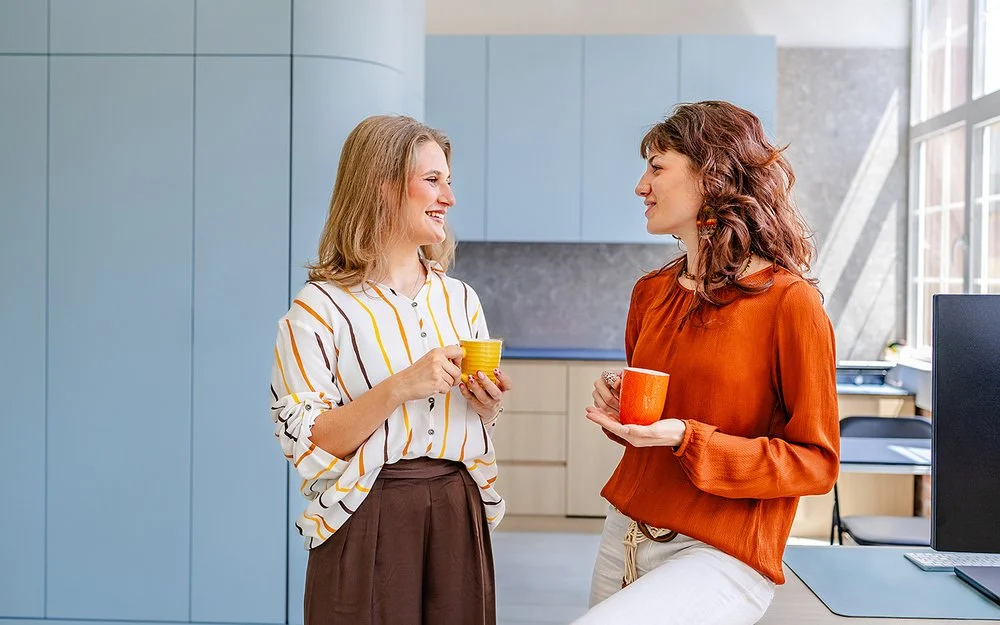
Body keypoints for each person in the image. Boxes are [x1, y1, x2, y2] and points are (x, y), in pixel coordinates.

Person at [575, 101, 840, 625]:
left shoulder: (790, 304)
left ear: (711, 174)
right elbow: (655, 424)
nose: (640, 186)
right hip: (623, 533)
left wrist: (688, 439)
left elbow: (815, 462)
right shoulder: (650, 293)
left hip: (719, 550)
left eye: (657, 167)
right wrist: (623, 406)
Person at [270, 115, 512, 625]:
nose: (448, 196)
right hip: (368, 510)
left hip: (456, 505)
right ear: (381, 186)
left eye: (449, 181)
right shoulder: (318, 309)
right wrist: (402, 386)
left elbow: (471, 423)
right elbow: (309, 443)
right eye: (432, 180)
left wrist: (487, 407)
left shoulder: (461, 299)